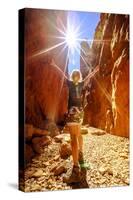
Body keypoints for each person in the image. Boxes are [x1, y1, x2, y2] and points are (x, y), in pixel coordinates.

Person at [50, 59, 99, 183]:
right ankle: (80, 155)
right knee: (77, 135)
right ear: (74, 77)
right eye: (75, 75)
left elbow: (86, 77)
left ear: (76, 77)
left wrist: (95, 71)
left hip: (73, 112)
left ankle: (76, 169)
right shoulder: (77, 83)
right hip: (80, 112)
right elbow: (63, 74)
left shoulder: (74, 84)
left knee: (73, 139)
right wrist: (55, 64)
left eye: (77, 75)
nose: (76, 76)